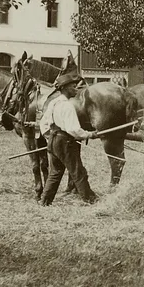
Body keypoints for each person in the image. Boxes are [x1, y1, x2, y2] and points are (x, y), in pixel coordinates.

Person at [38, 68, 98, 206]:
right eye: (73, 86)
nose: (76, 89)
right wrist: (90, 134)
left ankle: (45, 201)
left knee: (55, 172)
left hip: (53, 141)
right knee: (78, 171)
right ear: (64, 88)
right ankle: (90, 200)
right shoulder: (67, 106)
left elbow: (43, 123)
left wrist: (51, 138)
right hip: (65, 142)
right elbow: (73, 129)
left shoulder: (53, 103)